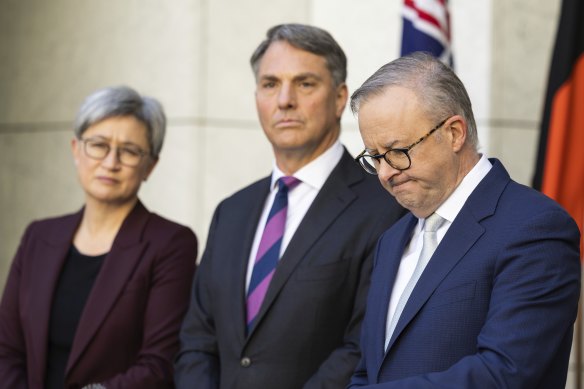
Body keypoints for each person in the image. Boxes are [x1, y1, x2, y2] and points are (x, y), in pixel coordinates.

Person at [174, 23, 405, 389]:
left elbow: (361, 345)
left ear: (341, 97)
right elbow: (197, 341)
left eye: (305, 83)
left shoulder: (385, 207)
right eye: (270, 84)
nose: (285, 100)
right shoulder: (230, 212)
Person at [348, 52, 581, 388]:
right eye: (375, 158)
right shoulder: (391, 239)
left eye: (397, 152)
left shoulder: (534, 228)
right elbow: (367, 371)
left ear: (454, 133)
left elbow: (506, 373)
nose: (384, 174)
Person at [0, 86, 198, 389]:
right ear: (76, 150)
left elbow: (159, 363)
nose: (110, 162)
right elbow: (7, 350)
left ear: (151, 166)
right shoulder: (38, 237)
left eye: (130, 151)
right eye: (98, 145)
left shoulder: (170, 244)